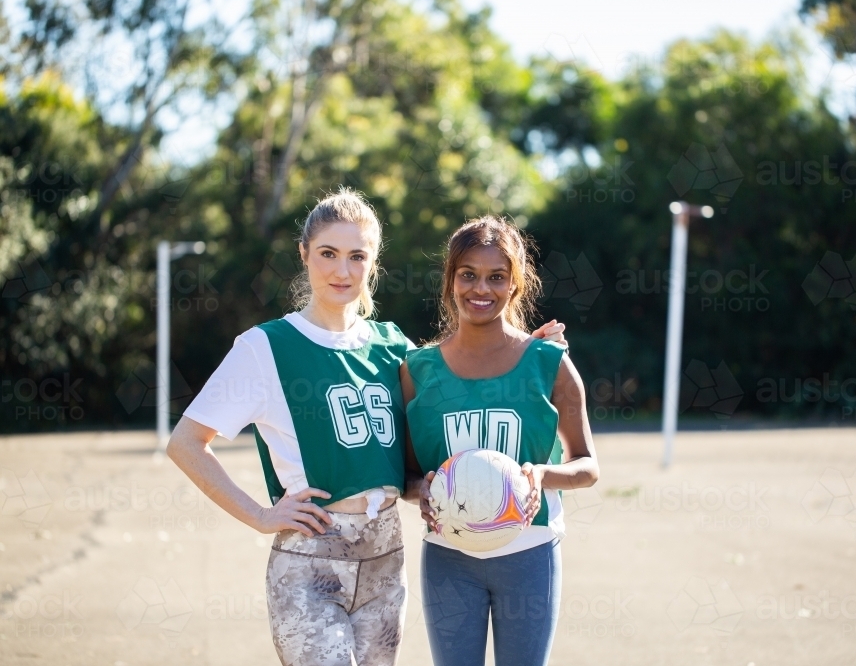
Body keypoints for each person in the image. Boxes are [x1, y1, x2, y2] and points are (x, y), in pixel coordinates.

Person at [166, 190, 566, 666]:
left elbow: (458, 375)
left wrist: (525, 352)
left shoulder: (392, 346)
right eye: (328, 254)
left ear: (372, 263)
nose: (342, 270)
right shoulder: (264, 346)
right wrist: (260, 515)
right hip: (311, 562)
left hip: (385, 561)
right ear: (304, 255)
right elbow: (186, 442)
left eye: (357, 256)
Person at [401, 216, 600, 666]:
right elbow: (408, 474)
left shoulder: (549, 363)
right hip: (448, 556)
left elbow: (587, 465)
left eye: (497, 276)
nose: (481, 289)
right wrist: (421, 491)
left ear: (515, 284)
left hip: (529, 553)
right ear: (450, 279)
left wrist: (542, 475)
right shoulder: (418, 370)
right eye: (468, 274)